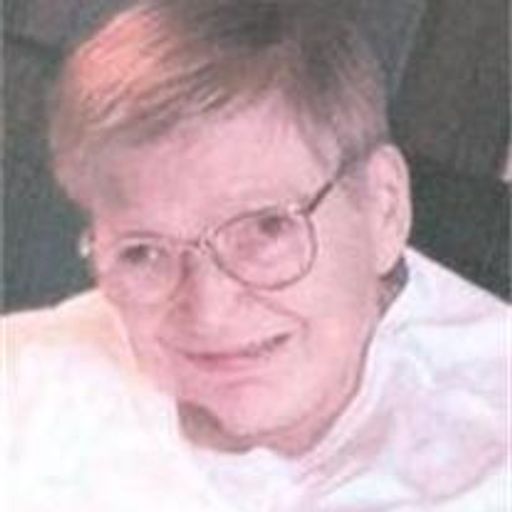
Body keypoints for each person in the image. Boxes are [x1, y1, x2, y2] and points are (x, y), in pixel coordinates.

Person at [5, 1, 509, 510]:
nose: (208, 312)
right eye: (144, 252)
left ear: (383, 208)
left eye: (267, 227)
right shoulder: (28, 383)